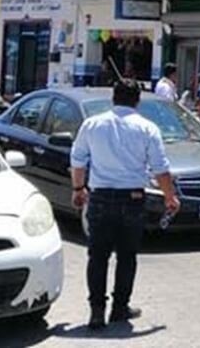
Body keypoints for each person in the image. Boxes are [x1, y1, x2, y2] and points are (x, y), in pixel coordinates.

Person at [70, 80, 180, 330]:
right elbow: (160, 169)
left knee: (97, 257)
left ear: (113, 98)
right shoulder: (147, 128)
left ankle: (97, 311)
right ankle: (120, 308)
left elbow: (77, 158)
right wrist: (170, 197)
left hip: (99, 198)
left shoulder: (93, 124)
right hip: (132, 200)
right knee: (127, 257)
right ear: (137, 101)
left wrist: (78, 189)